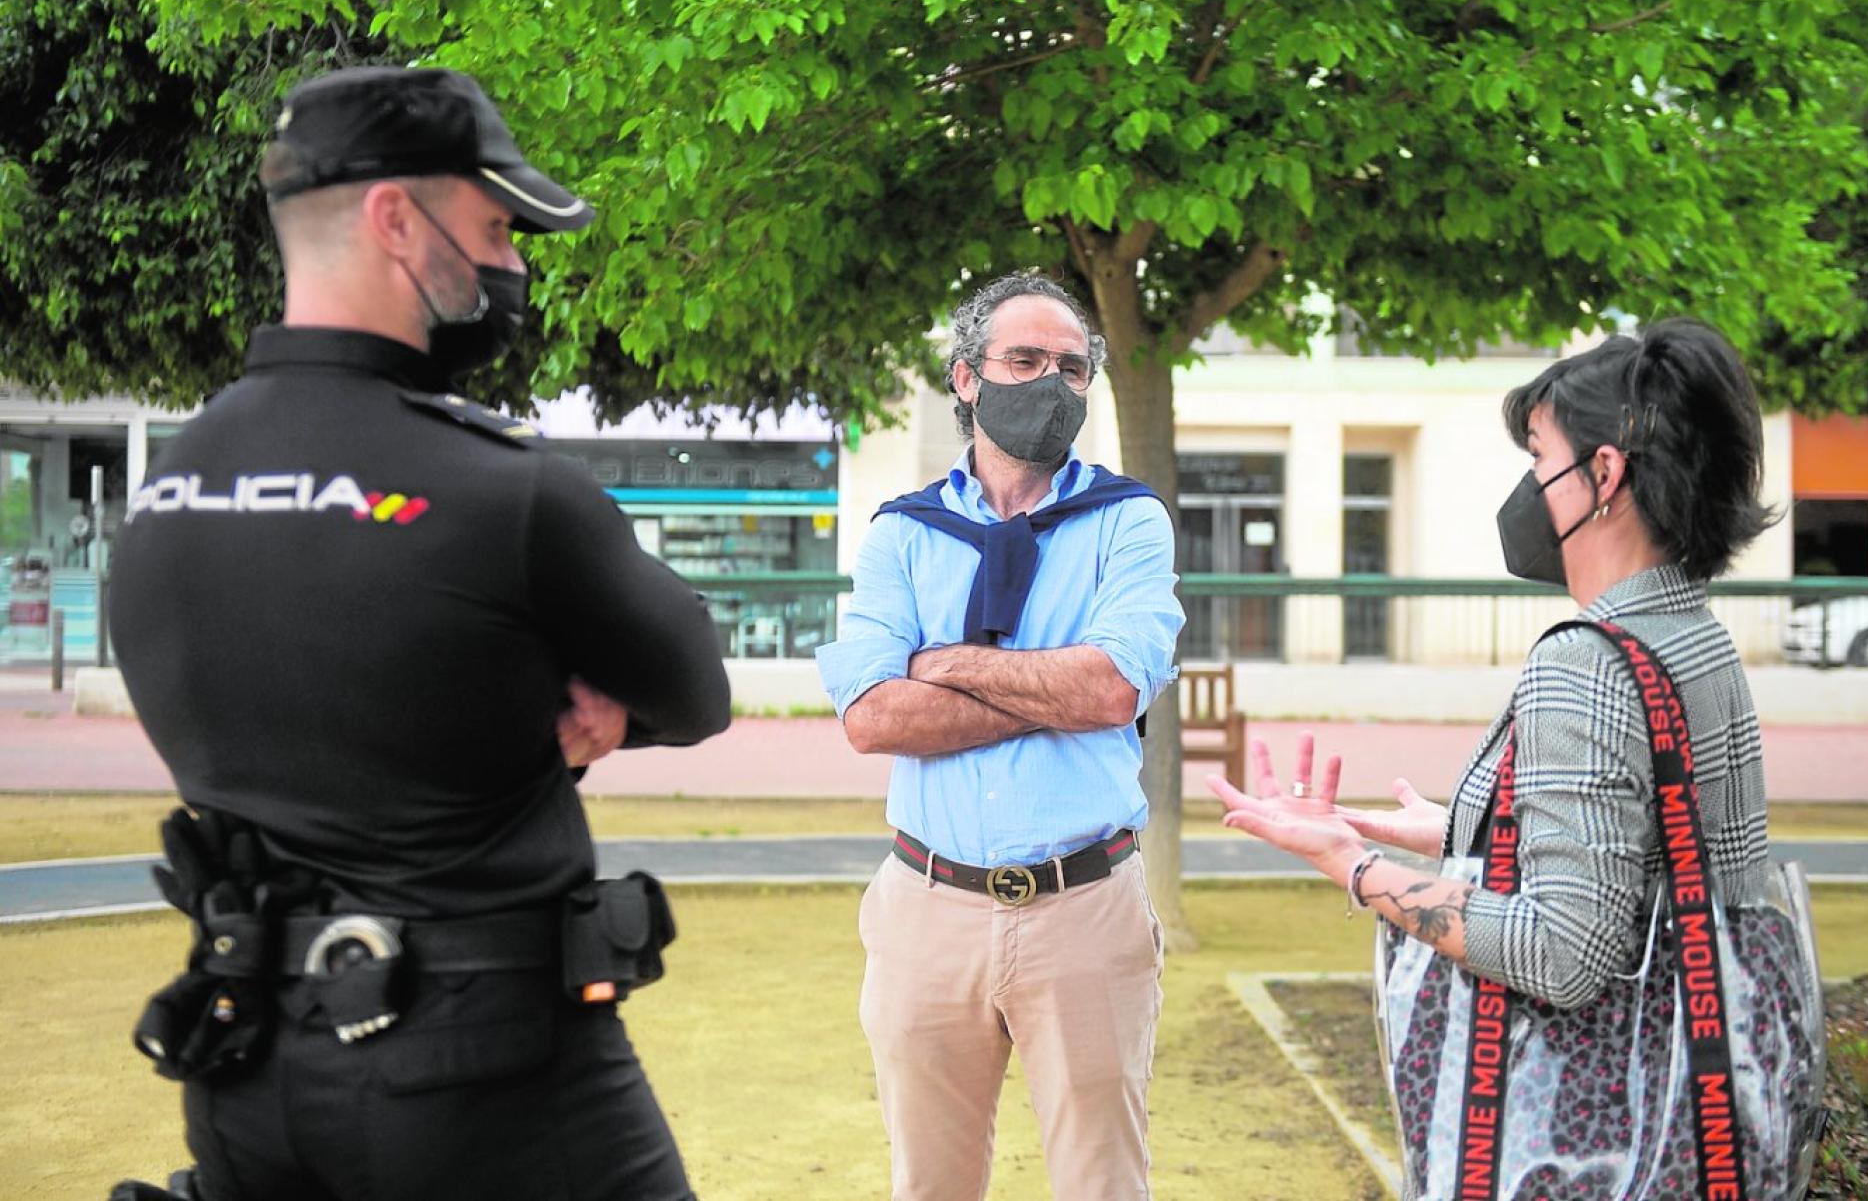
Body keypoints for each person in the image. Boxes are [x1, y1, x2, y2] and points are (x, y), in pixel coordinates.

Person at [105, 66, 730, 1201]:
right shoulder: (505, 490)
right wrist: (579, 718)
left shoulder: (166, 489)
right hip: (490, 1076)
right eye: (494, 225)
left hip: (243, 1066)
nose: (514, 262)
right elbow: (692, 687)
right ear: (396, 217)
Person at [1213, 320, 1793, 1194]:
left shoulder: (1584, 661)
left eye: (1538, 456)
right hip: (1702, 1119)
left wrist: (1353, 866)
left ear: (1604, 474)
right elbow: (1652, 858)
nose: (1528, 487)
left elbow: (1566, 951)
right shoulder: (1692, 636)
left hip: (1586, 1146)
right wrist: (1463, 831)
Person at [816, 272, 1185, 1199]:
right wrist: (1051, 684)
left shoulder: (1128, 521)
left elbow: (1109, 689)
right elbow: (872, 718)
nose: (1050, 385)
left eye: (1071, 368)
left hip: (1086, 907)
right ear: (967, 378)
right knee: (929, 1183)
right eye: (1025, 360)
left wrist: (947, 662)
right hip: (926, 907)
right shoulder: (901, 535)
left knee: (1103, 1180)